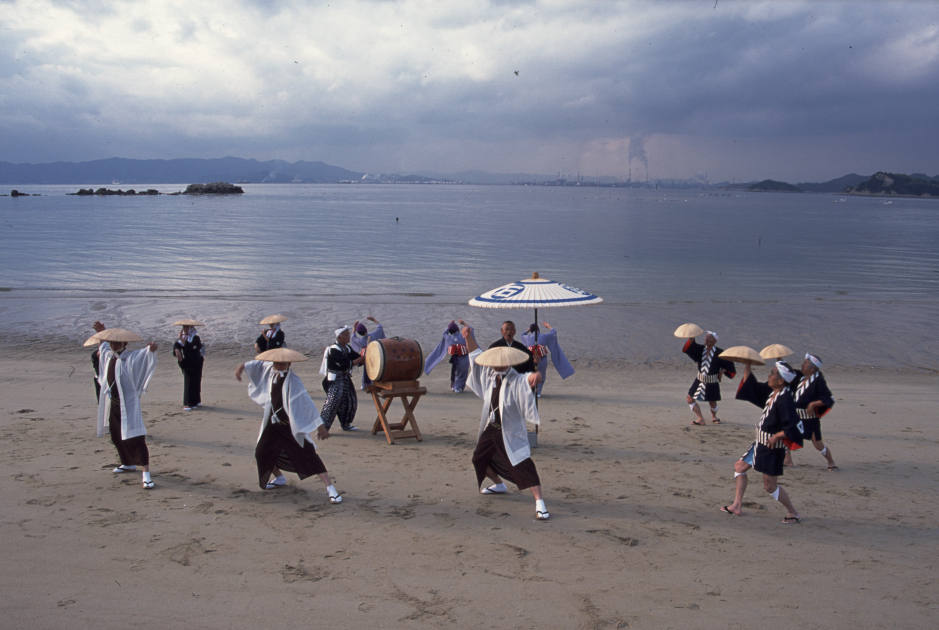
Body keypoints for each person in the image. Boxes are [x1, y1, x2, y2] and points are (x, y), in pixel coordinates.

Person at [461, 323, 549, 520]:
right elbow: (475, 355)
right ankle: (499, 484)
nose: (493, 364)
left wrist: (536, 375)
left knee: (522, 463)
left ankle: (539, 501)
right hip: (491, 428)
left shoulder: (515, 378)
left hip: (509, 429)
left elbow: (527, 379)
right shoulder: (490, 375)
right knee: (478, 459)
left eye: (497, 362)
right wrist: (467, 335)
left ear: (506, 363)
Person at [235, 349, 342, 503]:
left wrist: (320, 427)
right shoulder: (271, 372)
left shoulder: (293, 380)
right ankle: (279, 478)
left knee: (308, 454)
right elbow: (259, 365)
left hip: (288, 426)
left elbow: (306, 403)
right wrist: (242, 366)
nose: (278, 365)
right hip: (272, 425)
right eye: (276, 362)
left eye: (281, 363)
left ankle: (330, 488)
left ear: (288, 363)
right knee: (261, 452)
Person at [721, 359, 804, 523]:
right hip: (760, 443)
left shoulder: (785, 399)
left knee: (770, 486)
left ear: (781, 380)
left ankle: (793, 512)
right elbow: (751, 387)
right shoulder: (774, 392)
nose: (769, 375)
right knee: (739, 467)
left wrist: (776, 436)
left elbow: (794, 427)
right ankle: (737, 505)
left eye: (772, 373)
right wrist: (748, 364)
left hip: (772, 448)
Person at [92, 321, 159, 490]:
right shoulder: (109, 357)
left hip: (128, 406)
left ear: (124, 343)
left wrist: (151, 349)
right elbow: (103, 348)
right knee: (116, 435)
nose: (113, 345)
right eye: (112, 342)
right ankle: (127, 463)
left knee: (136, 437)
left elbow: (144, 355)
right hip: (113, 405)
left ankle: (146, 473)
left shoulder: (130, 358)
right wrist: (102, 333)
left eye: (116, 342)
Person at [783, 353, 838, 471]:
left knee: (818, 444)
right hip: (796, 416)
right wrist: (779, 359)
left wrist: (813, 404)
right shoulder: (800, 377)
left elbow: (828, 398)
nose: (802, 365)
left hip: (810, 419)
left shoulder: (818, 381)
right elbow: (787, 372)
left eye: (805, 363)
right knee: (786, 434)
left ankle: (831, 463)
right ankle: (788, 461)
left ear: (812, 368)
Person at [682, 331, 736, 425]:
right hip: (699, 380)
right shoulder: (701, 349)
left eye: (709, 337)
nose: (706, 339)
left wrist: (721, 372)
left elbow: (729, 363)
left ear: (714, 341)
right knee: (690, 399)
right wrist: (692, 337)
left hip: (712, 381)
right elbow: (692, 347)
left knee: (713, 403)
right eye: (706, 337)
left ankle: (714, 416)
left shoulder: (719, 352)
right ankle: (700, 419)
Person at [318, 326, 366, 431]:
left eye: (348, 334)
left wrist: (365, 357)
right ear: (339, 337)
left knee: (350, 401)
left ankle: (346, 424)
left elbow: (356, 358)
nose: (348, 337)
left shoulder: (347, 348)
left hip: (345, 378)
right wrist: (360, 359)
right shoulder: (334, 350)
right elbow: (345, 364)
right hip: (334, 380)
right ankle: (323, 428)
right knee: (333, 403)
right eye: (345, 335)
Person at [519, 322, 575, 397]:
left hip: (532, 360)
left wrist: (528, 330)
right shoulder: (544, 336)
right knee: (541, 376)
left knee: (531, 375)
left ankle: (531, 391)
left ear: (531, 330)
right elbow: (554, 332)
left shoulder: (527, 338)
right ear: (538, 330)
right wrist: (548, 326)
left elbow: (522, 335)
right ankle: (538, 392)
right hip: (542, 359)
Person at [424, 320, 469, 393]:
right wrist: (462, 324)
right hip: (464, 358)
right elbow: (470, 331)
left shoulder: (449, 338)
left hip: (455, 359)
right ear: (457, 329)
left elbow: (444, 333)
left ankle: (454, 387)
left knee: (456, 372)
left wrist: (450, 325)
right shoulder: (463, 336)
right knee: (462, 375)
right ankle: (458, 388)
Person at [173, 323, 204, 410]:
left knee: (193, 381)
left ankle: (191, 403)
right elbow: (177, 345)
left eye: (187, 327)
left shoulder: (195, 338)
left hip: (195, 362)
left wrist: (182, 340)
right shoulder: (184, 337)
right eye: (184, 327)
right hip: (188, 362)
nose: (185, 329)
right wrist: (177, 350)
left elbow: (193, 348)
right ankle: (197, 401)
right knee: (190, 381)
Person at [350, 316, 385, 389]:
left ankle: (365, 385)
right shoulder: (374, 335)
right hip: (376, 355)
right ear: (366, 330)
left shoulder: (360, 341)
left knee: (367, 370)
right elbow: (379, 328)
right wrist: (374, 320)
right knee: (377, 369)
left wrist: (354, 327)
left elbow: (353, 337)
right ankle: (376, 382)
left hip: (367, 356)